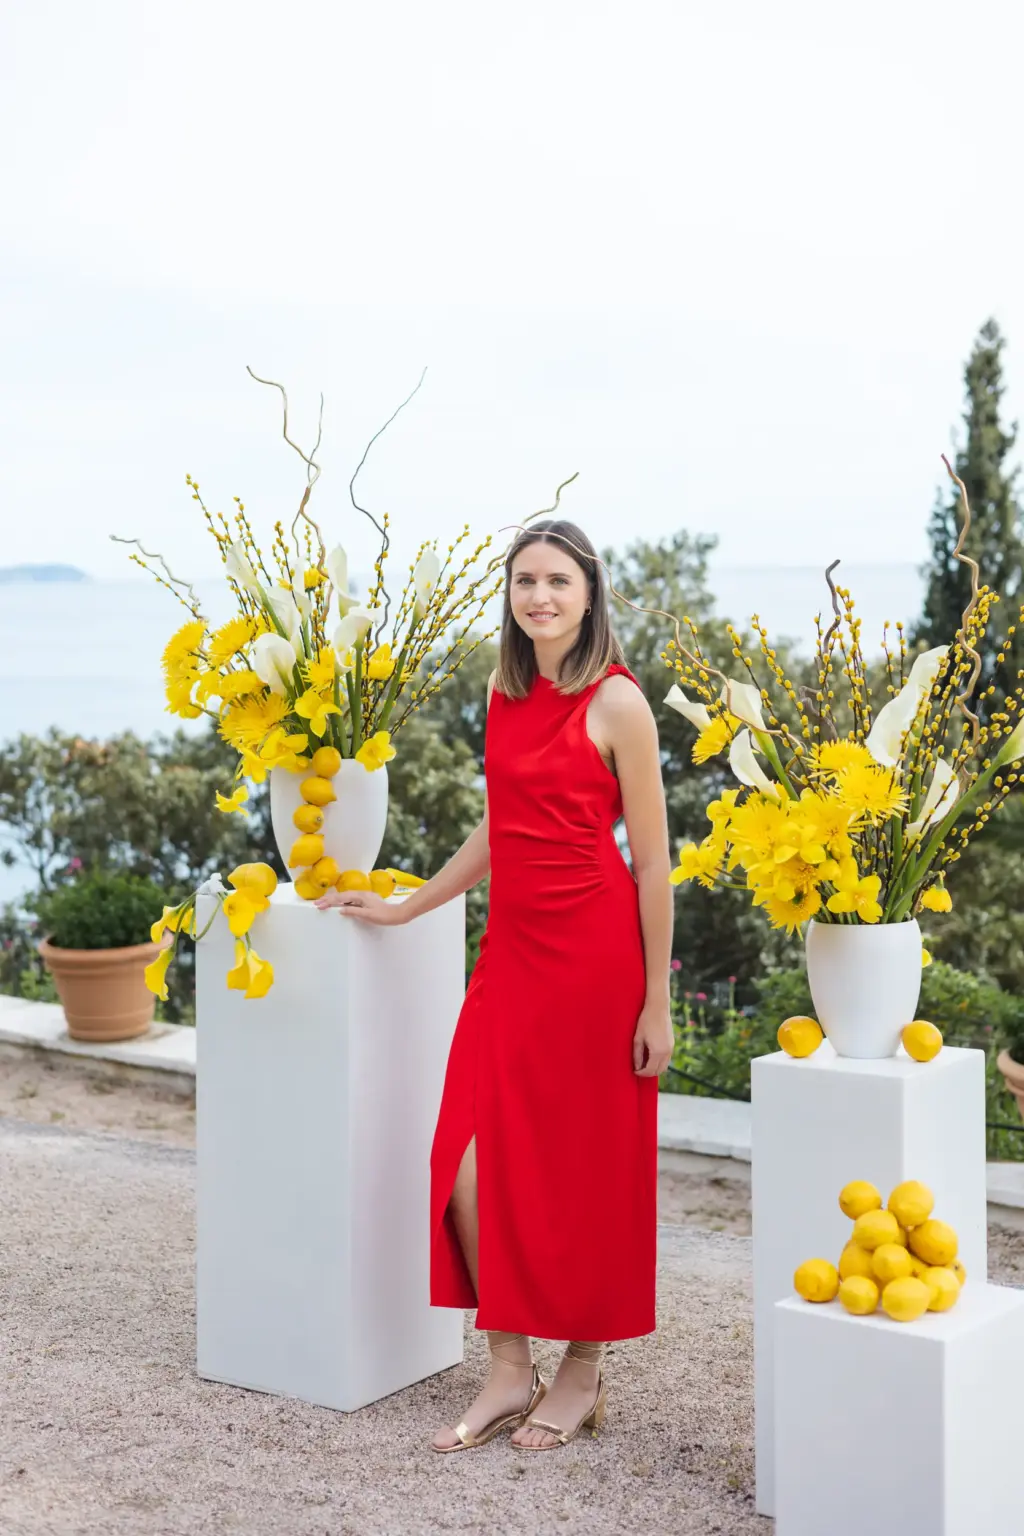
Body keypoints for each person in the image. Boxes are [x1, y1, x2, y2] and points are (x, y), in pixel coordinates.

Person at [315, 518, 673, 1452]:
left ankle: (582, 1371)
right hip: (513, 958)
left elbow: (654, 864)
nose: (539, 596)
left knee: (588, 1169)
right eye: (524, 581)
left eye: (558, 580)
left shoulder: (619, 703)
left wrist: (657, 1002)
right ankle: (510, 1368)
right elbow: (501, 826)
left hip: (597, 964)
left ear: (590, 593)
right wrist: (409, 906)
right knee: (465, 1159)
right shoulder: (504, 691)